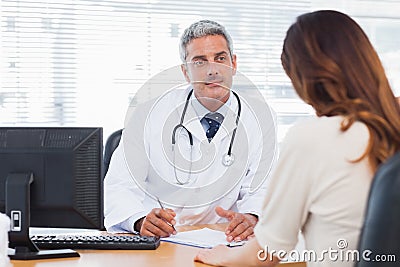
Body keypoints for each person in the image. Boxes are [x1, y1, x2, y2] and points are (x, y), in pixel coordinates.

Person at [194, 10, 400, 267]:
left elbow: (269, 251)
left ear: (305, 78)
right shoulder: (391, 126)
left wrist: (227, 256)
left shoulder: (314, 136)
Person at [104, 20, 277, 242]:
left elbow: (262, 187)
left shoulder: (262, 117)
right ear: (186, 72)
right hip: (160, 242)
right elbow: (120, 185)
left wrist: (252, 217)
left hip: (223, 240)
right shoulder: (149, 114)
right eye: (200, 62)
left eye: (220, 58)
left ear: (233, 64)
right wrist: (139, 220)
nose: (213, 70)